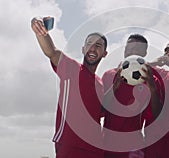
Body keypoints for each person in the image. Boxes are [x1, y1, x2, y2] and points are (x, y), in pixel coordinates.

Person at [31, 17, 108, 158]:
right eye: (89, 44)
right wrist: (41, 32)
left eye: (98, 45)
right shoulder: (70, 68)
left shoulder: (101, 83)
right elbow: (52, 52)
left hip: (96, 149)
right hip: (70, 145)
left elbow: (101, 113)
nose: (93, 48)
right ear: (83, 49)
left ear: (104, 53)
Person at [102, 34, 164, 158]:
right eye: (128, 47)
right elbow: (100, 110)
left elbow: (157, 116)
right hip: (107, 145)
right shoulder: (109, 75)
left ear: (144, 52)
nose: (130, 51)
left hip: (134, 147)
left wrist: (152, 87)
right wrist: (115, 86)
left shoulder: (152, 80)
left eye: (136, 48)